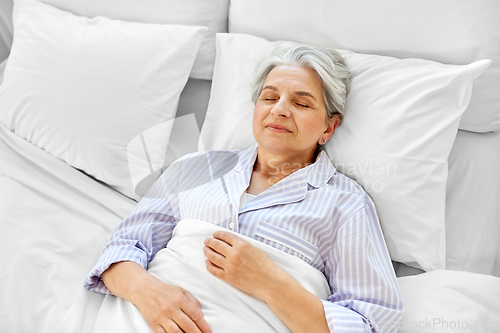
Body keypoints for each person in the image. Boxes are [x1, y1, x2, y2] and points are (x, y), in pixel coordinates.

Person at [84, 44, 404, 333]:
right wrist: (148, 292)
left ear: (329, 127)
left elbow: (369, 323)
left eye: (302, 104)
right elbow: (121, 248)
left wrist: (270, 282)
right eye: (269, 97)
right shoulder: (194, 168)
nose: (279, 109)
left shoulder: (345, 204)